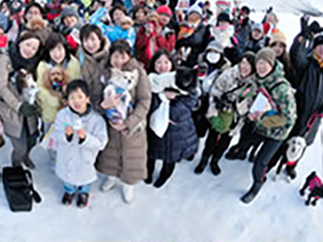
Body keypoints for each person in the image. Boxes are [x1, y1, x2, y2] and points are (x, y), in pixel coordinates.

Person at [96, 40, 152, 203]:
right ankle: (112, 177)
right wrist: (103, 106)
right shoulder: (105, 73)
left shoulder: (138, 72)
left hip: (132, 127)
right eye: (115, 57)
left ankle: (128, 184)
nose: (119, 61)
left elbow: (145, 100)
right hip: (110, 124)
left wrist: (129, 122)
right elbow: (95, 96)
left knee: (131, 156)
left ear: (129, 56)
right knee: (110, 155)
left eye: (123, 57)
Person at [241, 48, 297, 204]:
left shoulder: (282, 88)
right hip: (262, 126)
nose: (261, 66)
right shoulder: (258, 80)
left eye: (265, 63)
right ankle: (240, 152)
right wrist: (251, 109)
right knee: (244, 139)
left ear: (272, 65)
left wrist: (261, 119)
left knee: (259, 164)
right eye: (259, 62)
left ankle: (257, 185)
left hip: (278, 132)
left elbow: (289, 117)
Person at [287, 30, 323, 178]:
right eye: (319, 46)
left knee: (303, 143)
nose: (322, 49)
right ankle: (276, 161)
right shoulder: (307, 63)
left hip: (315, 116)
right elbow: (295, 55)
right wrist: (301, 38)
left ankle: (292, 166)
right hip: (300, 110)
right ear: (314, 48)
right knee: (289, 138)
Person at [195, 52, 256, 176]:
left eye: (248, 65)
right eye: (242, 63)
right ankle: (204, 159)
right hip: (219, 113)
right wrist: (213, 114)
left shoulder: (253, 85)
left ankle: (215, 160)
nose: (244, 67)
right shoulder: (228, 75)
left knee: (225, 142)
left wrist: (240, 110)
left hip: (235, 119)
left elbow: (251, 105)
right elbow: (214, 92)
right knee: (211, 139)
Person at [145, 50, 198, 188]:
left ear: (171, 64)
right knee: (151, 154)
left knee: (170, 158)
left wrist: (173, 102)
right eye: (159, 62)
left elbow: (191, 102)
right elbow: (145, 103)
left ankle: (163, 178)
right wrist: (161, 97)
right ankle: (148, 174)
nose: (162, 66)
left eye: (166, 62)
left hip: (176, 129)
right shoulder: (149, 81)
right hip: (154, 127)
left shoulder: (182, 78)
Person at [53, 80, 108, 208]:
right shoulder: (62, 116)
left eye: (80, 97)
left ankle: (84, 192)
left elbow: (101, 143)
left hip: (85, 159)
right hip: (66, 155)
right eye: (72, 98)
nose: (76, 101)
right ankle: (69, 191)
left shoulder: (96, 120)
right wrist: (66, 136)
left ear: (87, 99)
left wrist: (86, 138)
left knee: (84, 177)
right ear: (67, 100)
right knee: (68, 175)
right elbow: (55, 135)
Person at [0, 32, 42, 169]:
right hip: (12, 110)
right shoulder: (5, 59)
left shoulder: (34, 63)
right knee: (19, 146)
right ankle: (17, 164)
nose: (30, 50)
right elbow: (2, 88)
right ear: (20, 42)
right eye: (28, 45)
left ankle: (26, 157)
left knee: (32, 140)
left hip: (29, 110)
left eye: (34, 48)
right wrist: (18, 106)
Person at [37, 33, 81, 154]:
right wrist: (53, 99)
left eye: (59, 49)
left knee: (68, 138)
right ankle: (52, 161)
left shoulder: (74, 63)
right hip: (50, 111)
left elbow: (77, 83)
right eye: (52, 50)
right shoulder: (43, 65)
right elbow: (40, 88)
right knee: (51, 140)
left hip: (69, 110)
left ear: (65, 49)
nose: (57, 54)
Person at [78, 24, 110, 110]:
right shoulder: (80, 58)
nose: (89, 44)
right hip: (91, 106)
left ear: (100, 39)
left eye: (93, 39)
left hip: (110, 105)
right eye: (85, 40)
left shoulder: (111, 55)